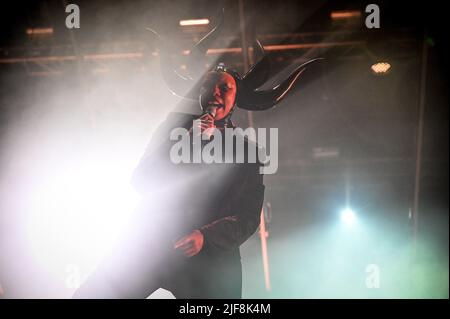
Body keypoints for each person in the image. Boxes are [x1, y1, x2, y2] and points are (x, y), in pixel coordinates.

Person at [73, 15, 319, 299]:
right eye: (208, 85)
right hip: (152, 243)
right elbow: (141, 181)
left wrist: (207, 237)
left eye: (224, 87)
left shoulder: (246, 150)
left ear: (236, 98)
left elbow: (248, 216)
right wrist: (185, 142)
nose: (215, 92)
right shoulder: (174, 127)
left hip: (209, 258)